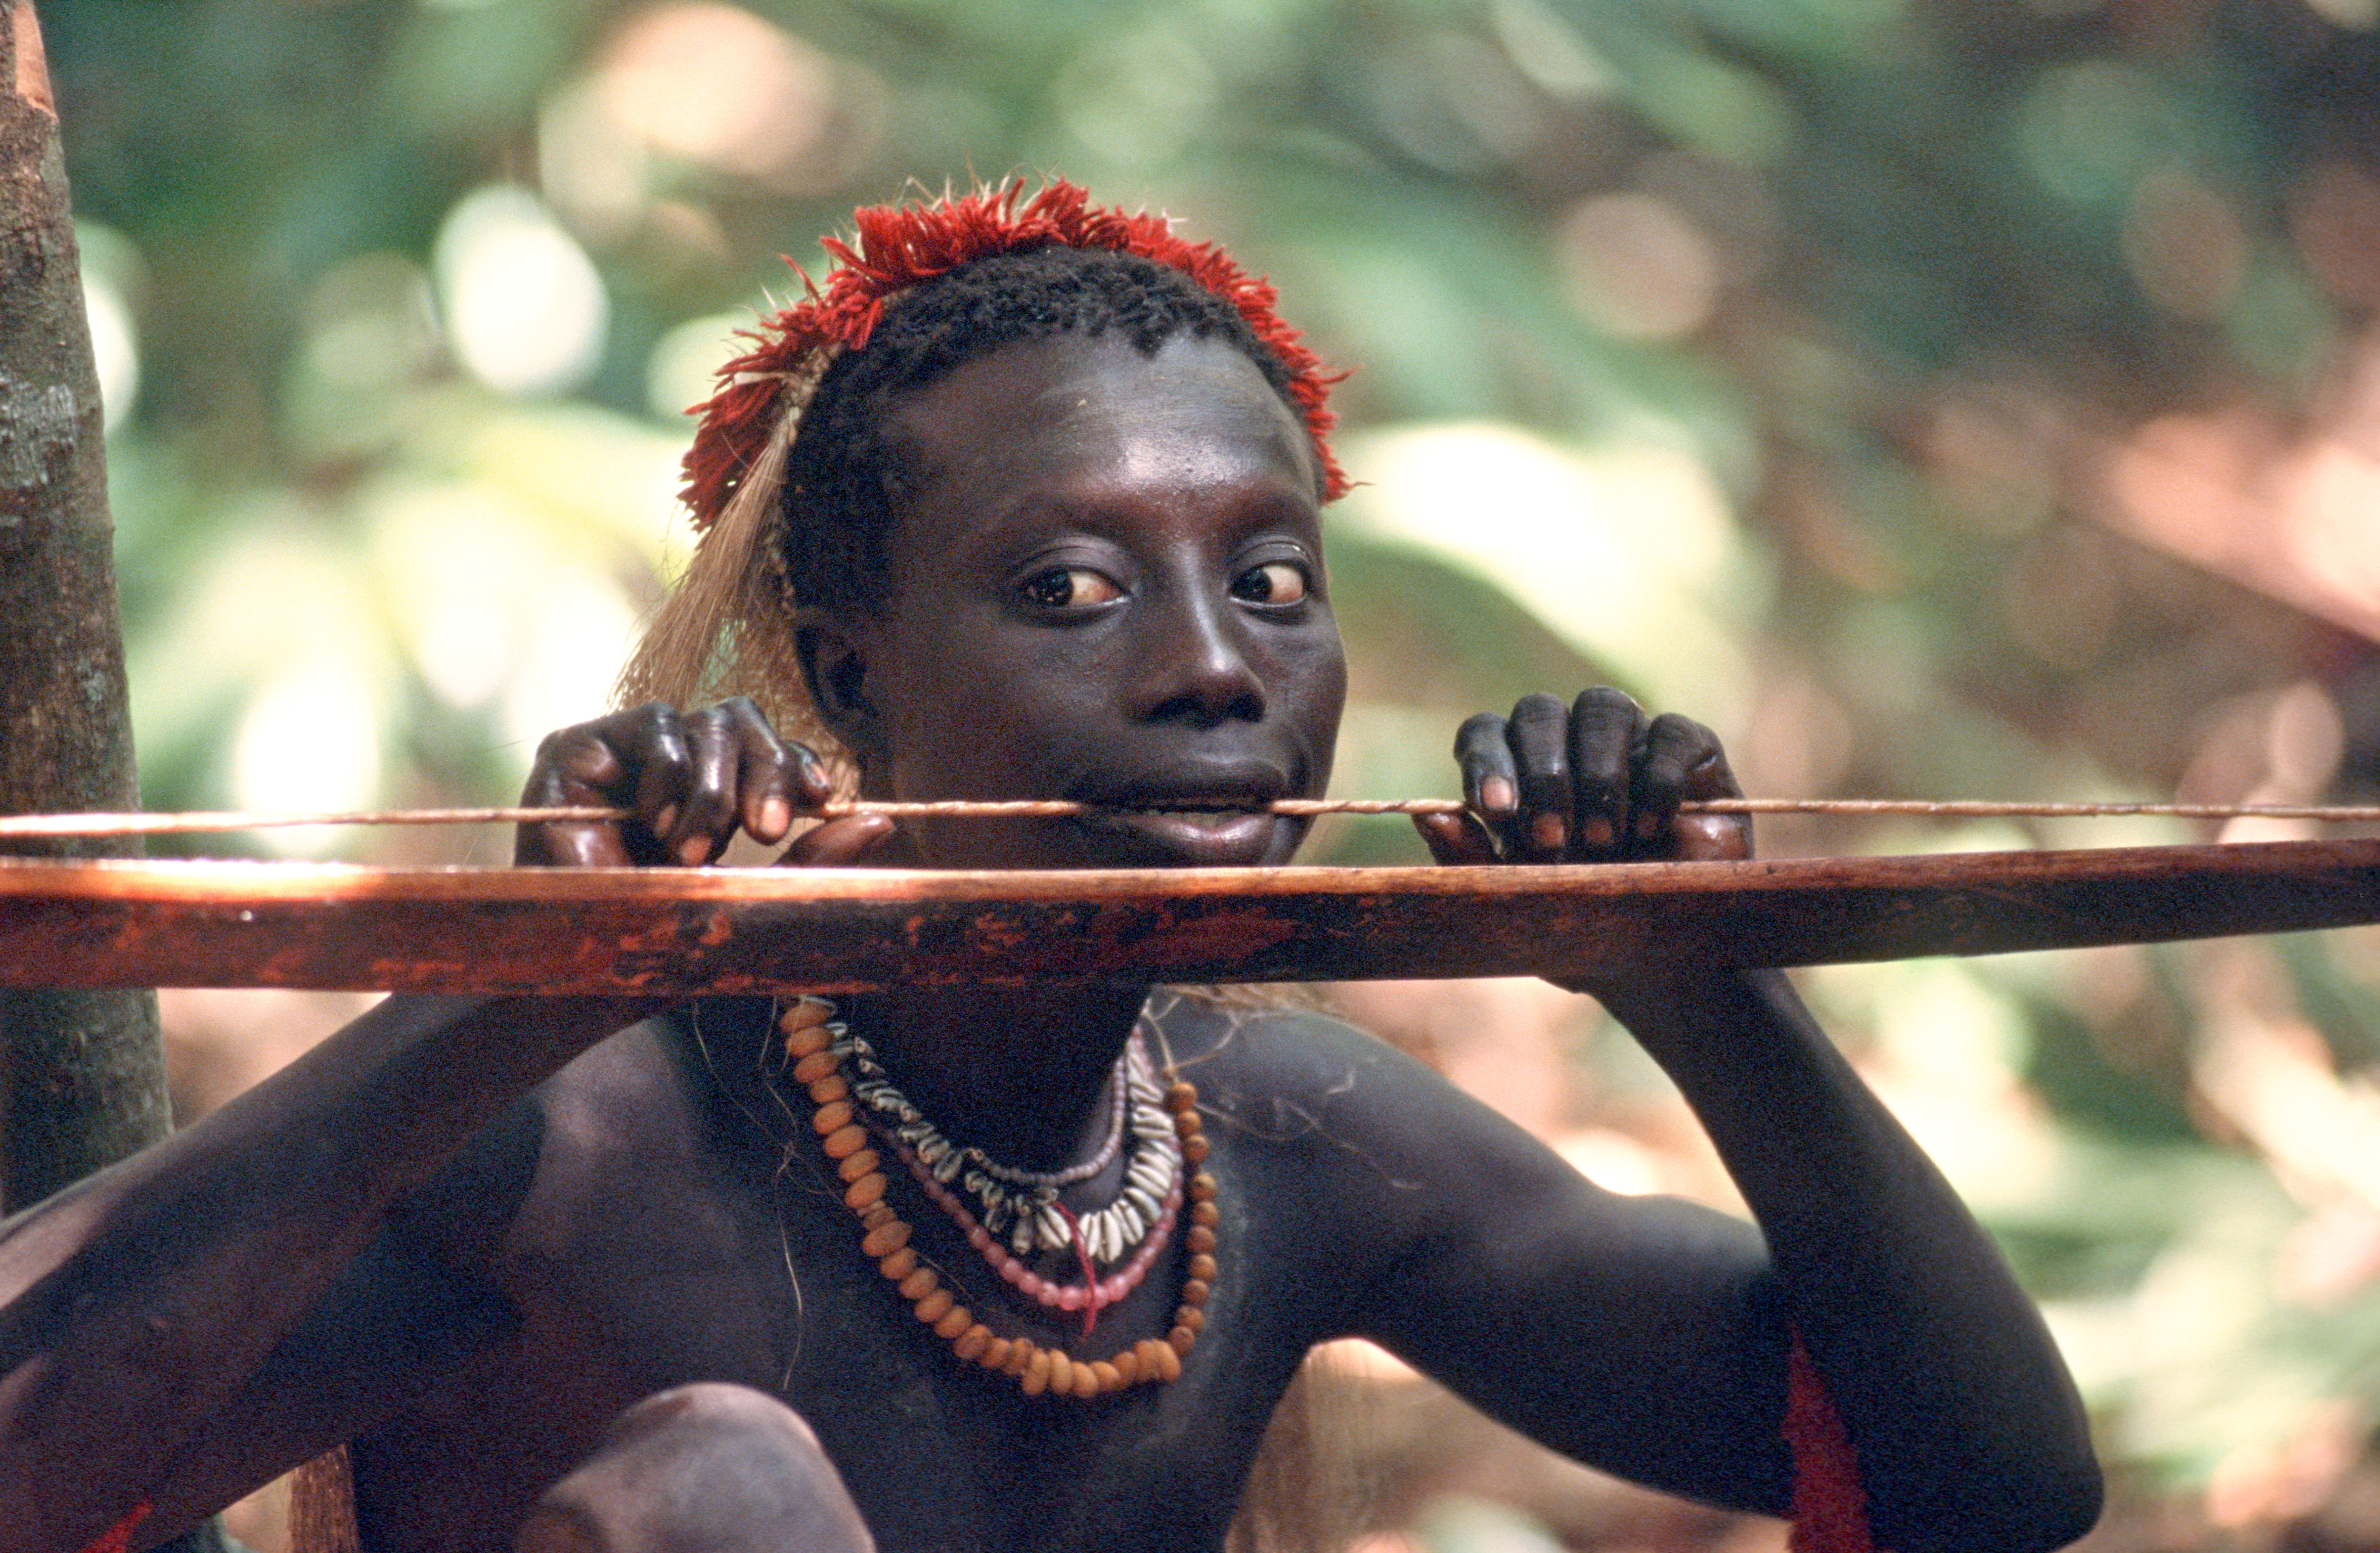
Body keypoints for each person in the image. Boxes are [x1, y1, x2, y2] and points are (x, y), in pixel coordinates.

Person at [0, 181, 2100, 1553]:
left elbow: (1993, 1492)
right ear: (847, 675)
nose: (1213, 671)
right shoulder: (577, 1140)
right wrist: (506, 1006)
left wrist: (1694, 984)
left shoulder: (1277, 1142)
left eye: (1271, 579)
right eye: (1072, 587)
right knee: (715, 1492)